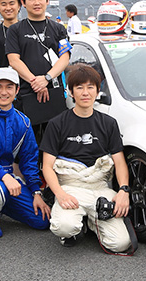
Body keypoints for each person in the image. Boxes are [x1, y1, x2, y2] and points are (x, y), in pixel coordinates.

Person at [41, 65, 131, 251]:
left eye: (90, 87)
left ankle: (90, 221)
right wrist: (60, 194)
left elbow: (119, 161)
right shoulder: (56, 124)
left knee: (120, 244)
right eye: (79, 87)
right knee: (64, 228)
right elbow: (47, 166)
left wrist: (124, 190)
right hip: (70, 186)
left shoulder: (109, 123)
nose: (85, 92)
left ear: (98, 91)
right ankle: (76, 226)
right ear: (71, 92)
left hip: (100, 187)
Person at [0, 68, 51, 239]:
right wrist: (5, 176)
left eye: (9, 87)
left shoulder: (23, 122)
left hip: (10, 180)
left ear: (17, 90)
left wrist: (36, 192)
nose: (4, 92)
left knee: (42, 221)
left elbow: (29, 160)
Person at [5, 0, 71, 133]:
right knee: (27, 140)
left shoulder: (59, 29)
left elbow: (65, 58)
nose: (36, 2)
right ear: (23, 2)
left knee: (54, 138)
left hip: (54, 93)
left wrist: (46, 78)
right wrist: (35, 82)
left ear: (47, 1)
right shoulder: (15, 30)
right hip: (25, 93)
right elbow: (13, 60)